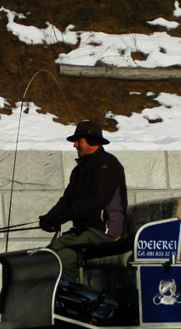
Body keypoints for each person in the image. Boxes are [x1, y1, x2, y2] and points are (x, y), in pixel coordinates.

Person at [38, 120, 128, 283]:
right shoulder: (79, 170)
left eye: (78, 141)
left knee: (64, 259)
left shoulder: (107, 165)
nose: (75, 145)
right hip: (83, 231)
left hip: (105, 231)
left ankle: (74, 303)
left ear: (91, 141)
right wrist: (50, 218)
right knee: (48, 255)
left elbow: (96, 200)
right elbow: (67, 200)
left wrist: (63, 216)